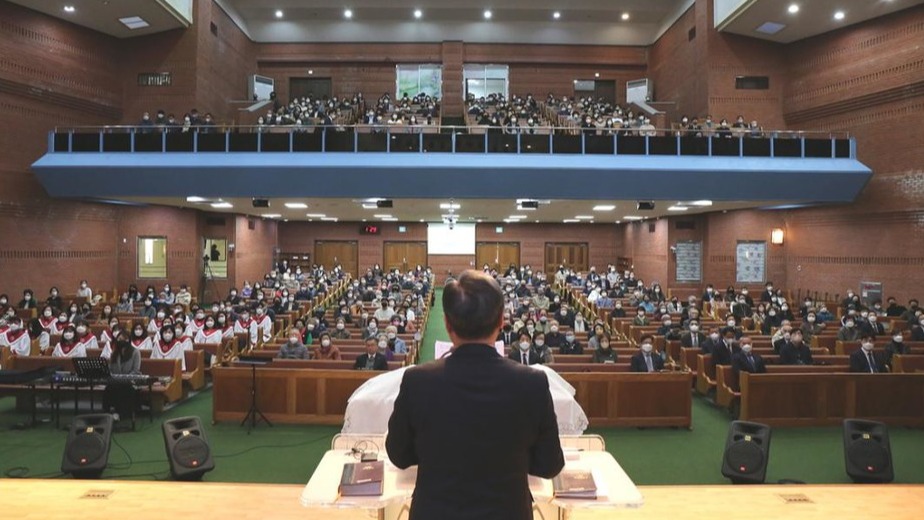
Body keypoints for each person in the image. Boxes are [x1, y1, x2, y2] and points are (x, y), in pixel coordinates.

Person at [386, 270, 564, 520]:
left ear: (447, 323)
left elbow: (399, 454)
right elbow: (549, 465)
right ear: (502, 321)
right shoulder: (531, 383)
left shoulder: (418, 380)